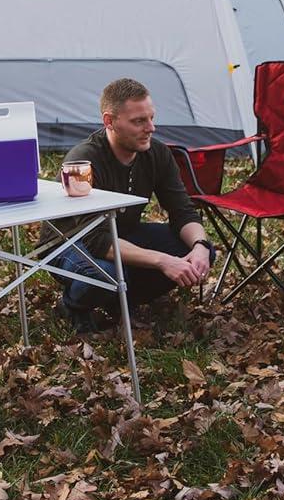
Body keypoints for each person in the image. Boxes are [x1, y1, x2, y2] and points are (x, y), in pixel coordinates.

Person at [52, 78, 215, 333]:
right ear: (110, 122)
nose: (150, 128)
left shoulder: (157, 154)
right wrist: (163, 261)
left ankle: (122, 301)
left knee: (194, 249)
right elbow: (96, 241)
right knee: (104, 275)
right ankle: (73, 305)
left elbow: (182, 210)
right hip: (71, 243)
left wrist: (200, 246)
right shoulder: (83, 161)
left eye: (151, 118)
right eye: (139, 121)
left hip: (121, 233)